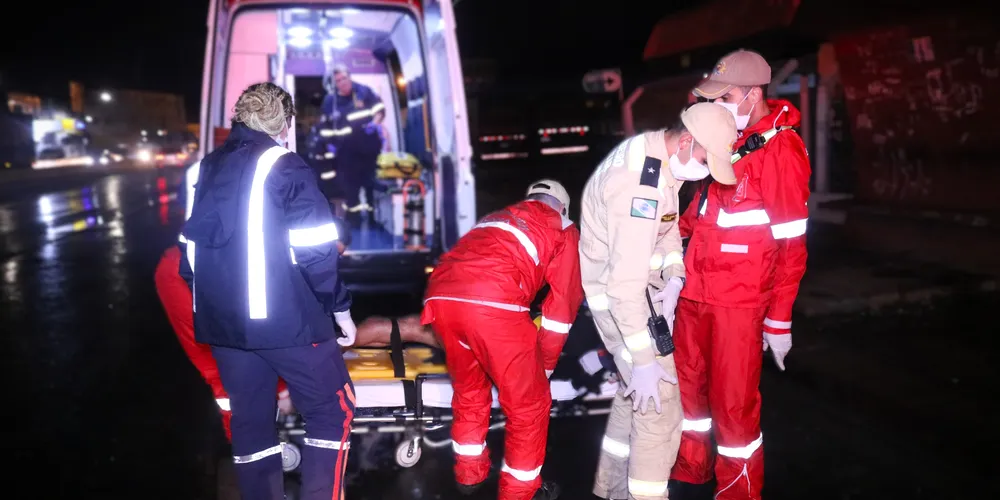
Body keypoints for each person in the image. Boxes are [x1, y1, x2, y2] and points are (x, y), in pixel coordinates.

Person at [180, 82, 357, 500]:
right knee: (333, 412)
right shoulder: (286, 165)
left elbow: (189, 251)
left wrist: (212, 304)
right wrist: (340, 308)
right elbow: (315, 250)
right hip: (288, 326)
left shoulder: (208, 166)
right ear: (285, 122)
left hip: (225, 328)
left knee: (252, 421)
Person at [670, 49, 811, 500]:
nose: (717, 104)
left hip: (739, 302)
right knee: (688, 397)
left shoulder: (781, 150)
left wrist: (779, 320)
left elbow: (792, 246)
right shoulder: (726, 139)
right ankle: (690, 472)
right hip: (693, 293)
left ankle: (738, 493)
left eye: (726, 95)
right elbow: (697, 215)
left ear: (752, 94)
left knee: (733, 413)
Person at [580, 103, 739, 500]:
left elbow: (667, 231)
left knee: (633, 395)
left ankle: (610, 489)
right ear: (687, 141)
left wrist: (674, 276)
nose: (705, 171)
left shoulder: (659, 157)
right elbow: (623, 288)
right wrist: (645, 361)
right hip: (624, 306)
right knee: (660, 410)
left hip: (640, 297)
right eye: (705, 160)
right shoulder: (640, 185)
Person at [157, 217, 438, 440]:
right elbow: (271, 328)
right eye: (333, 254)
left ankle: (251, 452)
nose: (332, 261)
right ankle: (248, 455)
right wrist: (283, 388)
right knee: (223, 373)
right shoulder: (285, 256)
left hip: (199, 272)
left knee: (244, 366)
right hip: (187, 276)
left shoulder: (289, 249)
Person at [421, 180, 584, 500]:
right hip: (493, 308)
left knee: (470, 389)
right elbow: (562, 307)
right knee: (529, 406)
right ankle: (520, 492)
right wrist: (545, 365)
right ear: (562, 207)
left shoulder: (496, 218)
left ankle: (469, 475)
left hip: (441, 301)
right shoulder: (563, 227)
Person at [320, 64, 386, 223]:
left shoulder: (364, 91)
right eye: (338, 80)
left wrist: (375, 124)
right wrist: (330, 146)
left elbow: (379, 110)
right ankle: (353, 222)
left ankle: (372, 219)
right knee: (351, 189)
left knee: (370, 185)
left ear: (349, 76)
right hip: (346, 153)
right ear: (334, 83)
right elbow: (326, 126)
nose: (342, 82)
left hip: (368, 148)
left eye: (344, 78)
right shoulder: (331, 101)